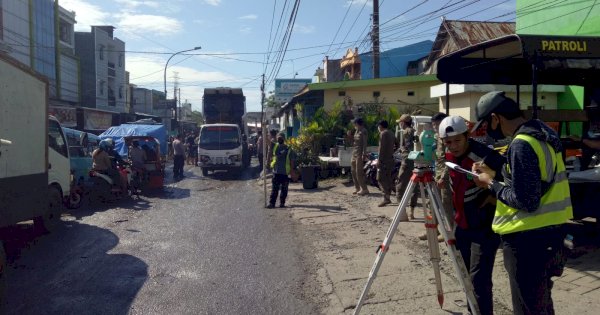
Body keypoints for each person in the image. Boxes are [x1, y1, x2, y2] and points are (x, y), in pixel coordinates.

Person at [472, 91, 573, 315]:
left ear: (496, 118)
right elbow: (538, 178)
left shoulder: (521, 144)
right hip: (552, 234)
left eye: (487, 123)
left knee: (528, 309)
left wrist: (490, 184)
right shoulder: (544, 133)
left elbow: (525, 200)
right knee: (542, 305)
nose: (488, 129)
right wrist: (500, 168)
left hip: (527, 240)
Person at [439, 116, 505, 315]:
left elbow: (509, 179)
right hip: (461, 226)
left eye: (457, 140)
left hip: (484, 226)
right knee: (466, 276)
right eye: (448, 142)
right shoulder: (448, 155)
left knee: (479, 280)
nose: (453, 146)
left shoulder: (484, 155)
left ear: (467, 136)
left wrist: (493, 197)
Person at [431, 112, 454, 228]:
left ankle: (449, 232)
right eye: (433, 125)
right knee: (433, 203)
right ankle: (433, 229)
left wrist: (443, 178)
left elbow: (449, 161)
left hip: (445, 177)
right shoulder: (438, 138)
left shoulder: (449, 139)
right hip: (437, 175)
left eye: (436, 124)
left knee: (446, 205)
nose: (434, 127)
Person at [395, 114, 418, 220]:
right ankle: (411, 213)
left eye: (400, 122)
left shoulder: (407, 132)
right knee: (414, 188)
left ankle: (402, 214)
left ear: (403, 122)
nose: (399, 124)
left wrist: (402, 151)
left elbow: (408, 148)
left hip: (407, 162)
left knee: (399, 186)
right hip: (416, 162)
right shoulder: (415, 131)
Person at [268, 133, 295, 208]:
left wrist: (292, 171)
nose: (279, 139)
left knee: (283, 189)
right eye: (278, 138)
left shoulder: (289, 149)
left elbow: (292, 161)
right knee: (275, 189)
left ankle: (280, 203)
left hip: (284, 172)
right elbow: (267, 141)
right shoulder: (275, 146)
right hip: (277, 172)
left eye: (280, 138)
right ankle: (273, 203)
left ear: (283, 139)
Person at [376, 120, 395, 206]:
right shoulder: (391, 133)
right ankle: (388, 196)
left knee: (380, 178)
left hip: (384, 161)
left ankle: (386, 198)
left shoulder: (383, 134)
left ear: (380, 126)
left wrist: (379, 160)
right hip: (390, 159)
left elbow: (381, 149)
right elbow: (397, 144)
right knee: (388, 178)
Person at [351, 118, 369, 195]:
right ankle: (357, 188)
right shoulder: (356, 131)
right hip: (354, 153)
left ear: (357, 124)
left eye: (354, 124)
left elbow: (365, 144)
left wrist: (364, 154)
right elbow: (355, 142)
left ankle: (364, 189)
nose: (354, 125)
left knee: (359, 172)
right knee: (353, 171)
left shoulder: (363, 131)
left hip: (360, 154)